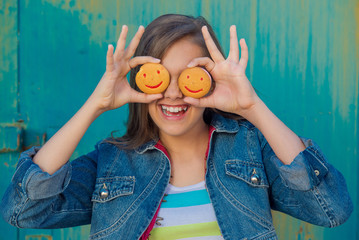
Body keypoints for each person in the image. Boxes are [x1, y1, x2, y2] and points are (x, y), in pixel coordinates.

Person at [0, 14, 353, 240]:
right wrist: (96, 104)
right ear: (140, 82)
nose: (172, 92)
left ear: (209, 81)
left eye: (188, 77)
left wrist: (253, 107)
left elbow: (331, 209)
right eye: (158, 76)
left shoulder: (250, 151)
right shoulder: (112, 164)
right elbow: (23, 210)